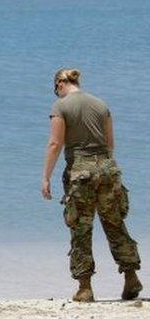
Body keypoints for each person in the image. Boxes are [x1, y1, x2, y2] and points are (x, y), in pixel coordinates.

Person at [42, 68, 142, 302]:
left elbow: (55, 144)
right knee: (115, 224)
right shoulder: (100, 104)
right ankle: (131, 277)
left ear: (59, 84)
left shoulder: (61, 107)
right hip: (108, 169)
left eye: (55, 89)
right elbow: (110, 144)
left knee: (81, 229)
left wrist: (46, 176)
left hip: (81, 172)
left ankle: (85, 287)